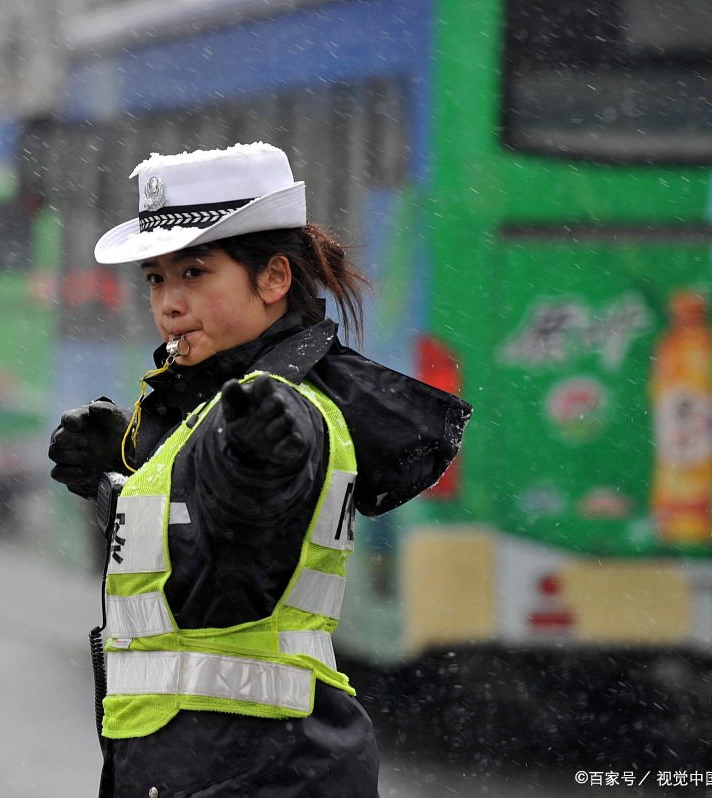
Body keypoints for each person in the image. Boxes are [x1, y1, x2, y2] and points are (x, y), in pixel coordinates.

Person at [48, 142, 470, 798]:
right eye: (157, 278)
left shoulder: (280, 408)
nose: (168, 304)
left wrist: (261, 453)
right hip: (220, 769)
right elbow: (192, 550)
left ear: (273, 280)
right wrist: (125, 464)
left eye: (194, 273)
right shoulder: (200, 407)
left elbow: (257, 491)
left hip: (257, 775)